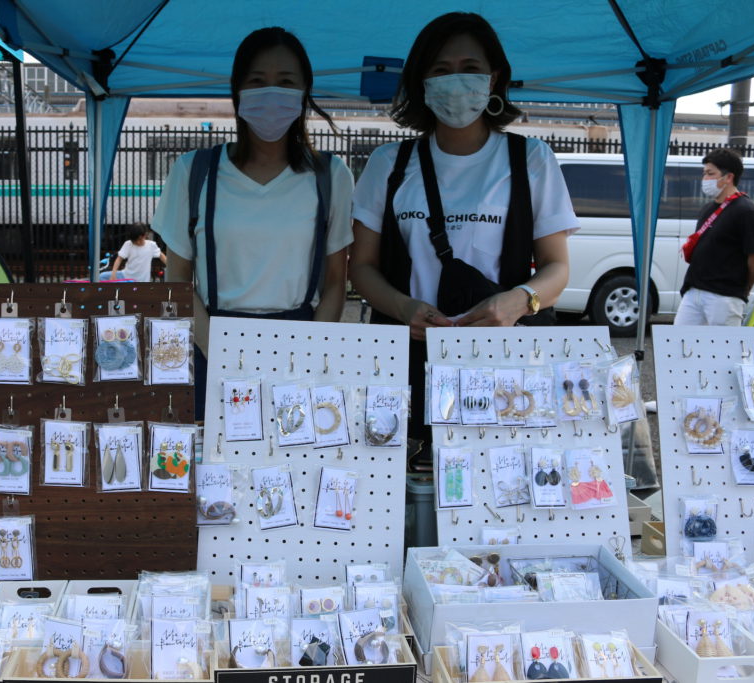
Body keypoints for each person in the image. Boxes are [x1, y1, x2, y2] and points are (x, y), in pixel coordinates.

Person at [349, 12, 577, 450]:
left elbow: (558, 269)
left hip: (501, 362)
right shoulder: (388, 164)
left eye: (470, 68)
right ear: (421, 82)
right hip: (405, 359)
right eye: (441, 70)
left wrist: (517, 301)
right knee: (408, 477)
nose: (455, 80)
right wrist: (402, 307)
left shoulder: (531, 159)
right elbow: (361, 266)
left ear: (494, 78)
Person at [153, 27, 354, 415]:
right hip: (212, 347)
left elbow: (335, 282)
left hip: (300, 351)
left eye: (286, 82)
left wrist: (310, 355)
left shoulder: (331, 175)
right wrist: (222, 356)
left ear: (304, 92)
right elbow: (177, 281)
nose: (272, 92)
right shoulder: (193, 171)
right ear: (237, 91)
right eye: (258, 81)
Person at [674, 148, 754, 326]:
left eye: (710, 174)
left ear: (728, 177)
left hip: (724, 297)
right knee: (679, 341)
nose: (705, 179)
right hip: (694, 291)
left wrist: (745, 285)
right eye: (704, 173)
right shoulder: (708, 208)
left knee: (723, 344)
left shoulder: (746, 211)